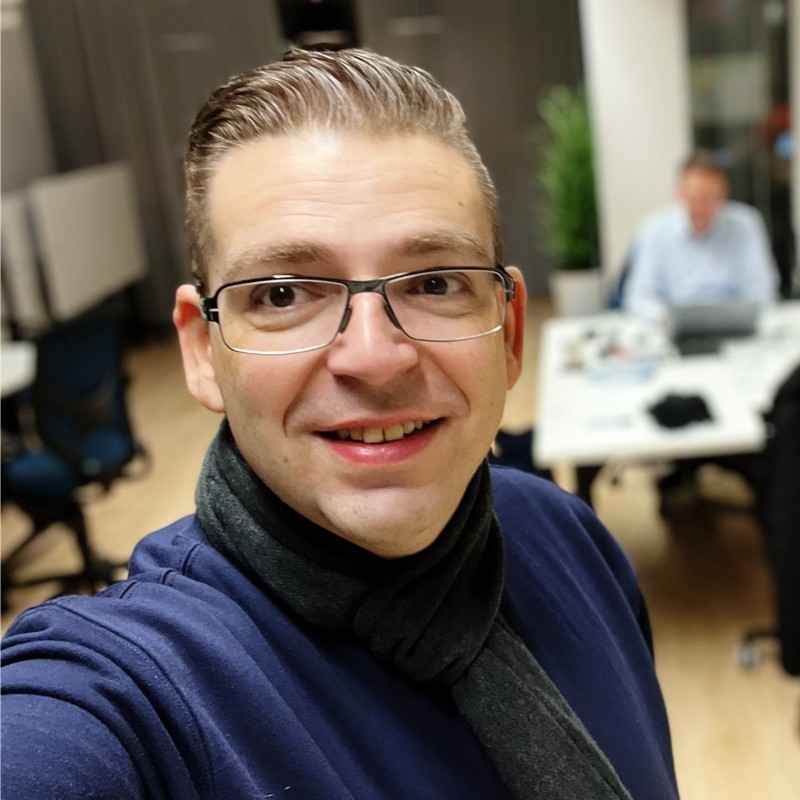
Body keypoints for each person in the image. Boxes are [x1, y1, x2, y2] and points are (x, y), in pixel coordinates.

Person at [1, 49, 678, 799]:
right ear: (202, 351)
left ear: (509, 333)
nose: (375, 358)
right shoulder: (130, 691)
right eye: (284, 294)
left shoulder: (569, 538)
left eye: (434, 282)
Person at [622, 150, 779, 322]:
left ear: (724, 194)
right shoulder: (655, 230)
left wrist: (733, 316)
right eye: (696, 197)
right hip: (673, 325)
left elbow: (762, 291)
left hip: (734, 325)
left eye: (712, 197)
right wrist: (669, 318)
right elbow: (639, 298)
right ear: (679, 194)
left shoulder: (746, 225)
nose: (703, 207)